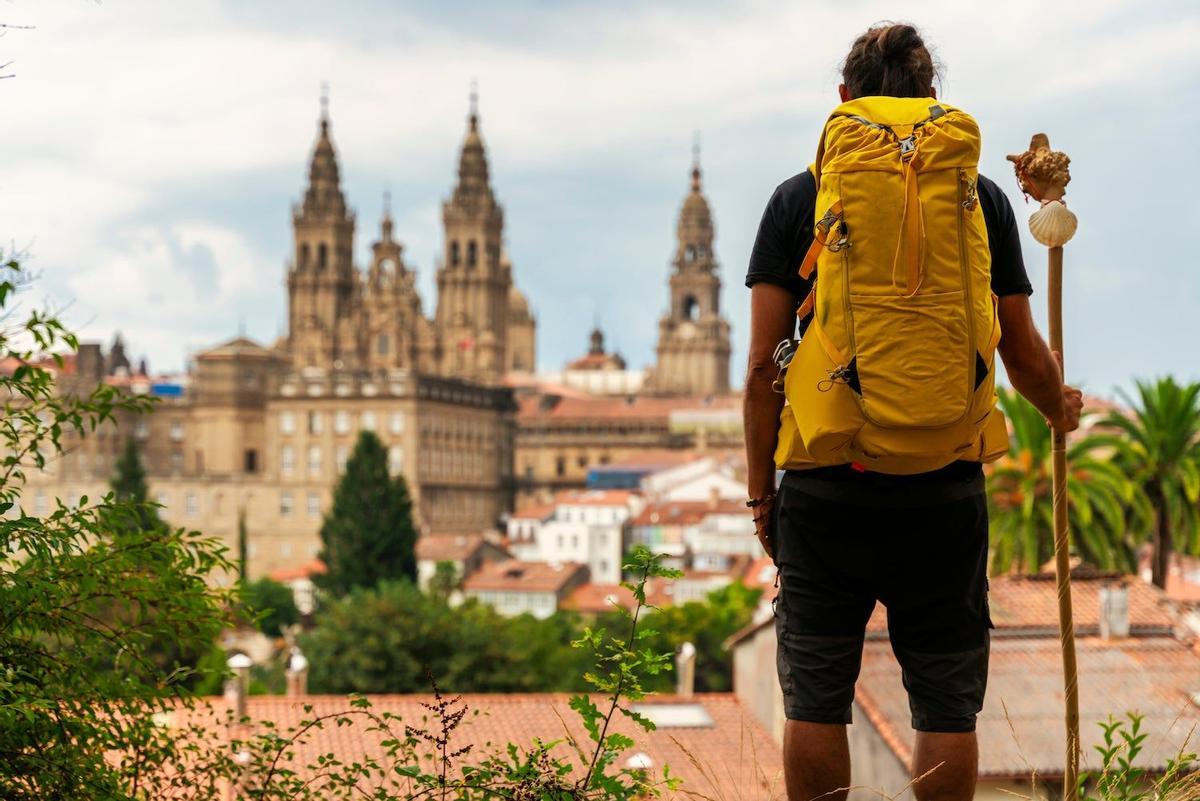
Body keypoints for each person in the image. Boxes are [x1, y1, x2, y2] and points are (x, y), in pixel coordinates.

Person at [742, 22, 1083, 801]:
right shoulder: (982, 198)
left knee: (817, 697)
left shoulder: (800, 199)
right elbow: (1021, 351)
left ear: (843, 100)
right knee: (946, 704)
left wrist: (762, 493)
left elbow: (764, 365)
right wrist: (1058, 407)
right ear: (932, 99)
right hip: (943, 484)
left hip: (828, 482)